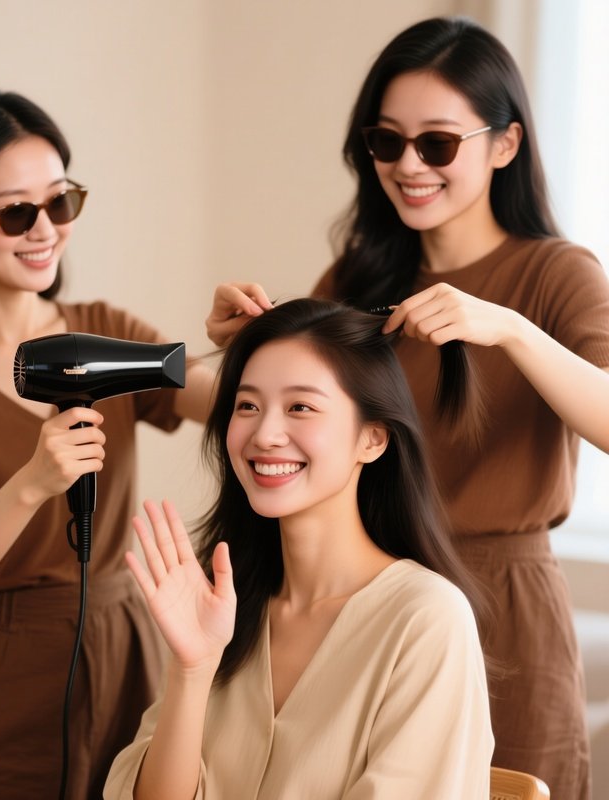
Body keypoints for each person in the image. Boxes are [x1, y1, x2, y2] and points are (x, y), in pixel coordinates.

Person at [205, 17, 609, 799]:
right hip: (374, 598)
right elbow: (280, 422)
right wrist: (235, 349)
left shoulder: (556, 275)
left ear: (505, 145)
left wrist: (509, 330)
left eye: (438, 144)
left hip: (506, 611)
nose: (408, 166)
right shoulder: (357, 277)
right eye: (386, 144)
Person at [0, 88, 215, 800]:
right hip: (0, 676)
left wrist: (248, 343)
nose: (46, 230)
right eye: (17, 212)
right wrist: (31, 483)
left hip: (128, 655)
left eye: (61, 203)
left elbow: (228, 400)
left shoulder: (98, 329)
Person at [105, 298, 494, 799]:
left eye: (300, 407)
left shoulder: (426, 618)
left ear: (372, 439)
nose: (264, 434)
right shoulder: (223, 606)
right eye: (247, 405)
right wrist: (192, 670)